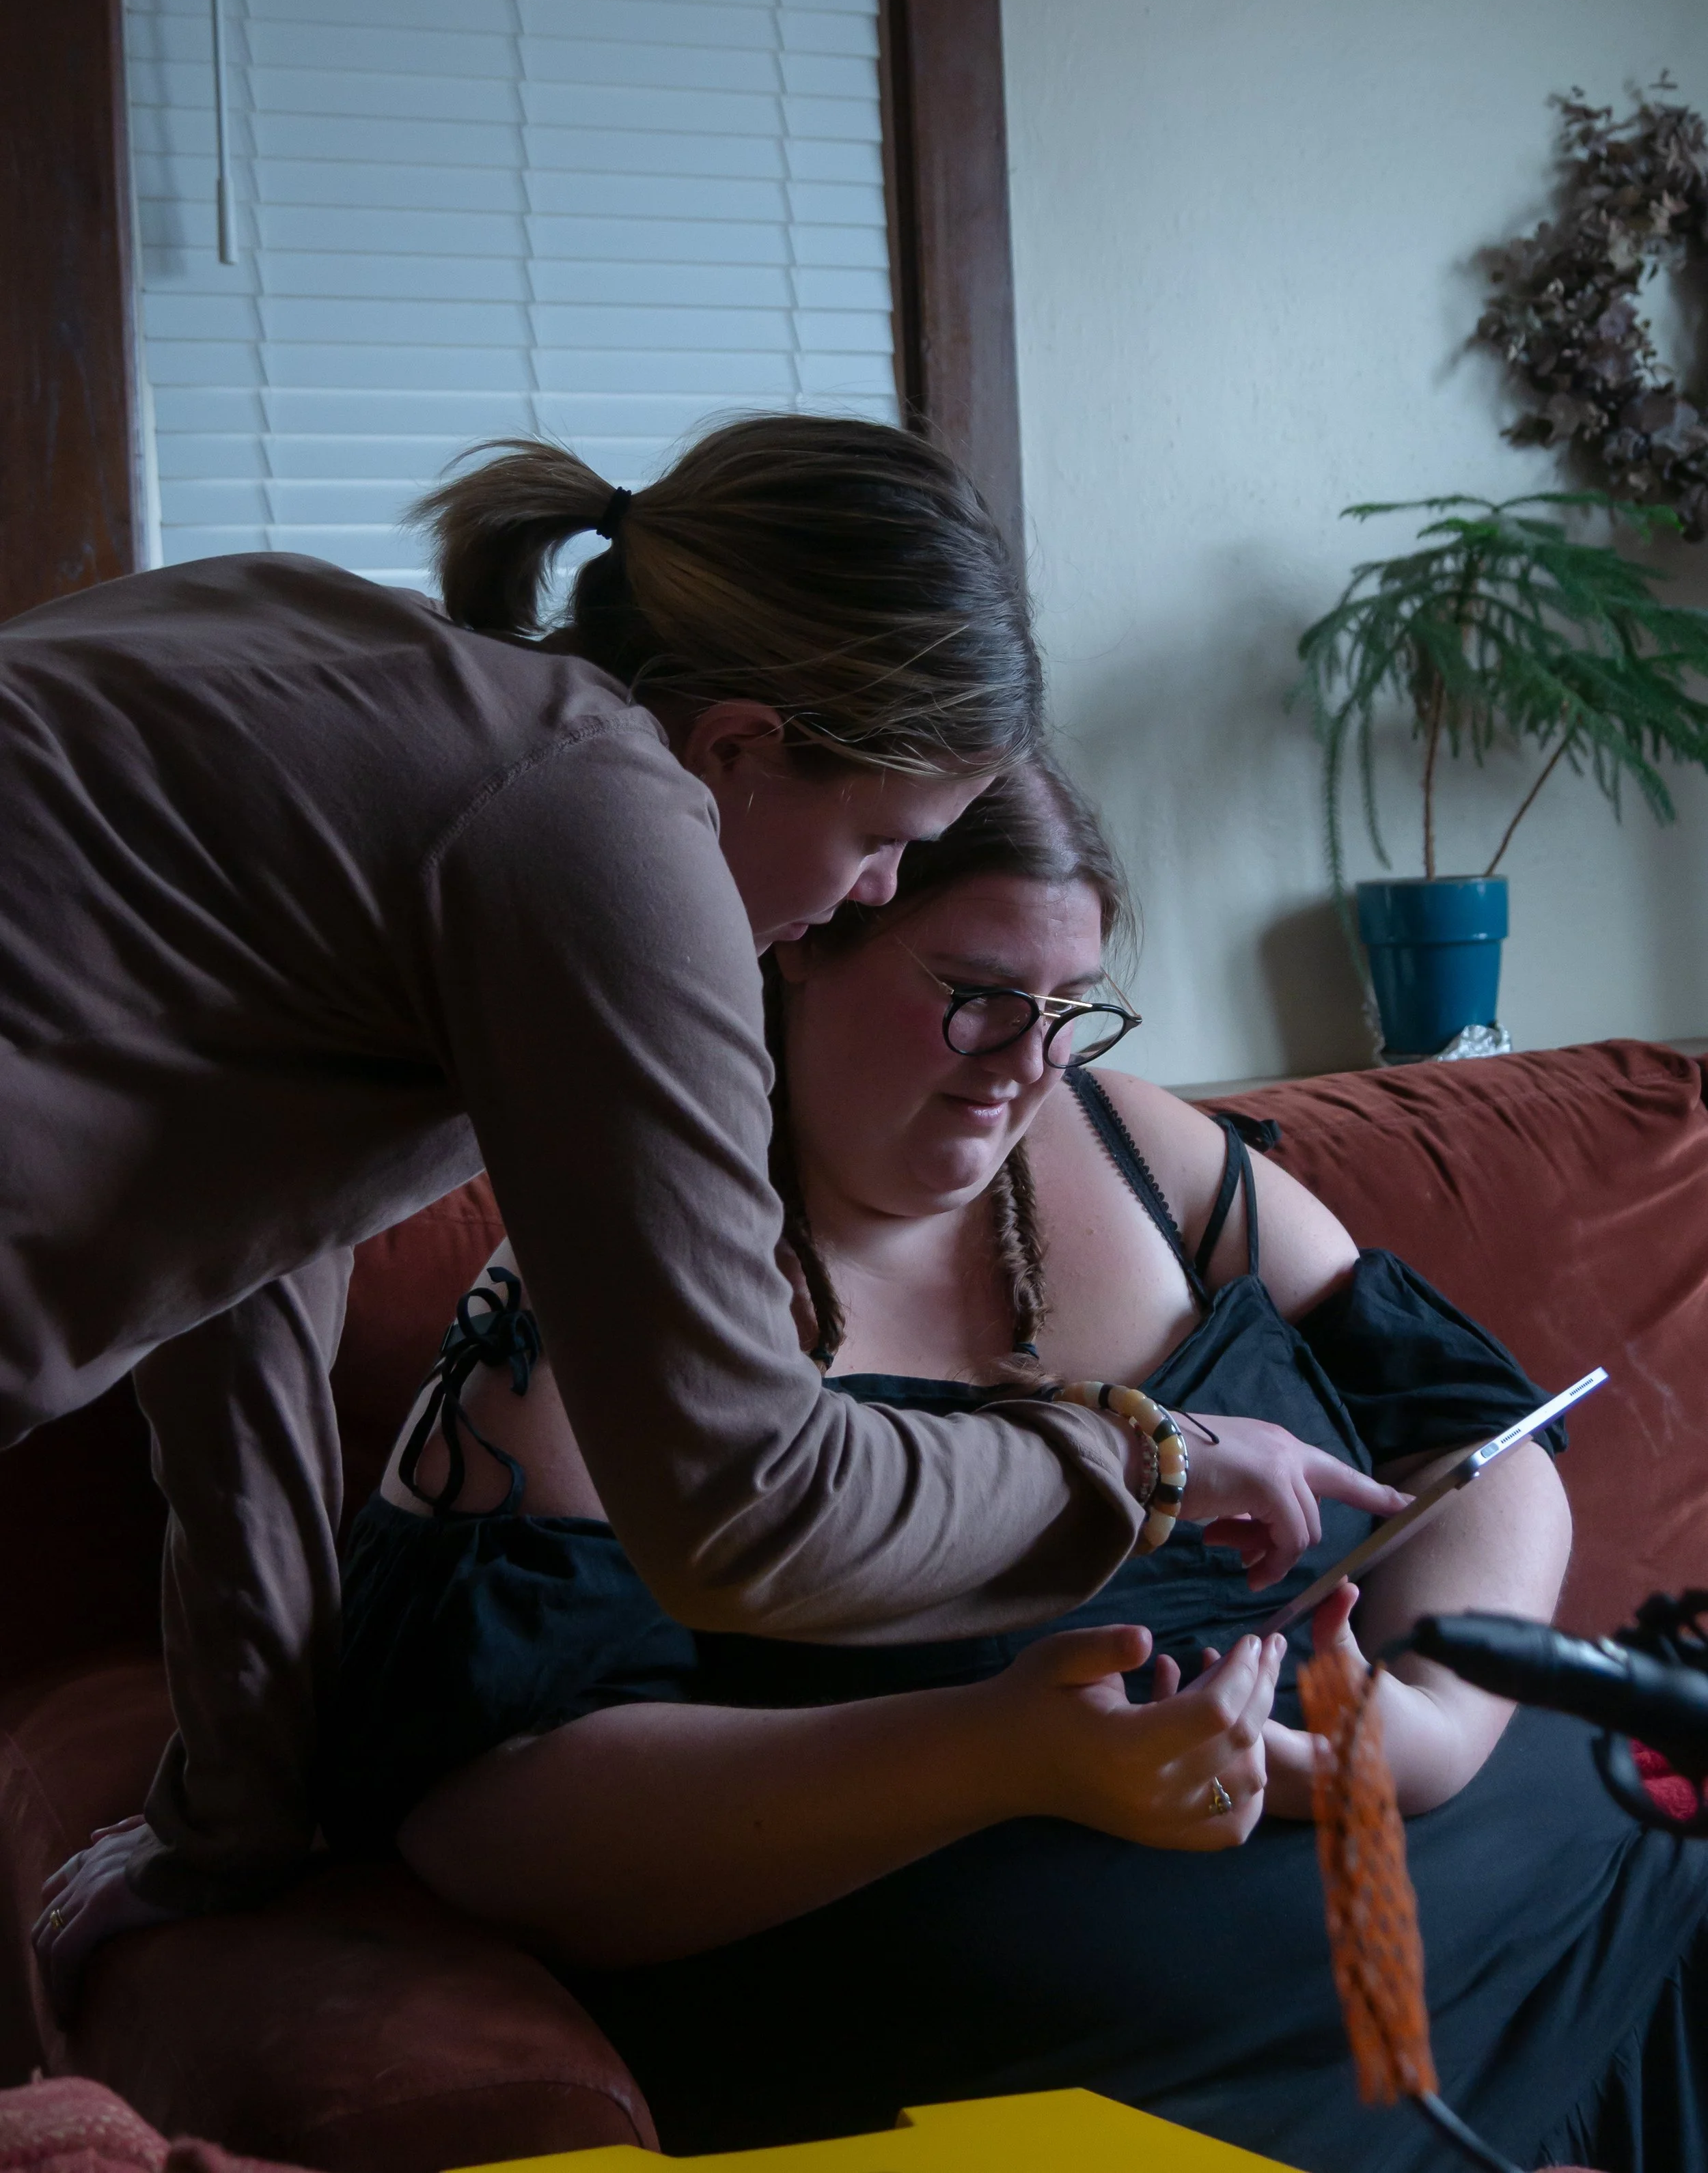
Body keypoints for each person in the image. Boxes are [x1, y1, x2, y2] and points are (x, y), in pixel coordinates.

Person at [12, 416, 1379, 2001]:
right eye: (883, 841)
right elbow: (743, 1505)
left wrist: (231, 1825)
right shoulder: (601, 823)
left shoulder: (343, 670)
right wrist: (1147, 1453)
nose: (872, 895)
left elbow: (234, 1275)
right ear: (735, 749)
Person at [320, 759, 1708, 2173]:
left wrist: (1422, 1728)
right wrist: (1000, 1753)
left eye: (1067, 1009)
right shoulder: (620, 1265)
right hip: (1026, 1972)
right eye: (974, 993)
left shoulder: (1128, 1140)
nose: (1026, 1063)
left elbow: (1479, 1437)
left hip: (1406, 1819)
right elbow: (484, 1821)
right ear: (803, 941)